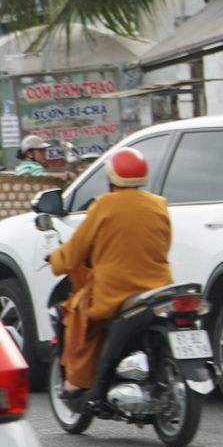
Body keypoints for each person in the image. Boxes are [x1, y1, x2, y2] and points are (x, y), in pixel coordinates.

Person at [46, 148, 173, 401]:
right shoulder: (159, 204)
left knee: (77, 316)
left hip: (116, 291)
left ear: (111, 179)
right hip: (158, 288)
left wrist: (56, 259)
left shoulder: (104, 204)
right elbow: (163, 243)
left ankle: (77, 382)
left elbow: (75, 251)